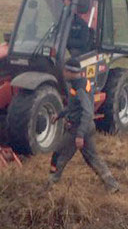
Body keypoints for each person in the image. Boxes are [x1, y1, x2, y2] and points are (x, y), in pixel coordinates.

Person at [49, 58, 120, 192]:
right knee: (92, 157)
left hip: (78, 128)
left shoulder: (79, 88)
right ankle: (112, 184)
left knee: (59, 154)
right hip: (85, 127)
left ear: (70, 72)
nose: (63, 73)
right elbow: (74, 107)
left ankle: (51, 184)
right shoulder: (82, 82)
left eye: (65, 70)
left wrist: (80, 135)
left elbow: (87, 112)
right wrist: (59, 115)